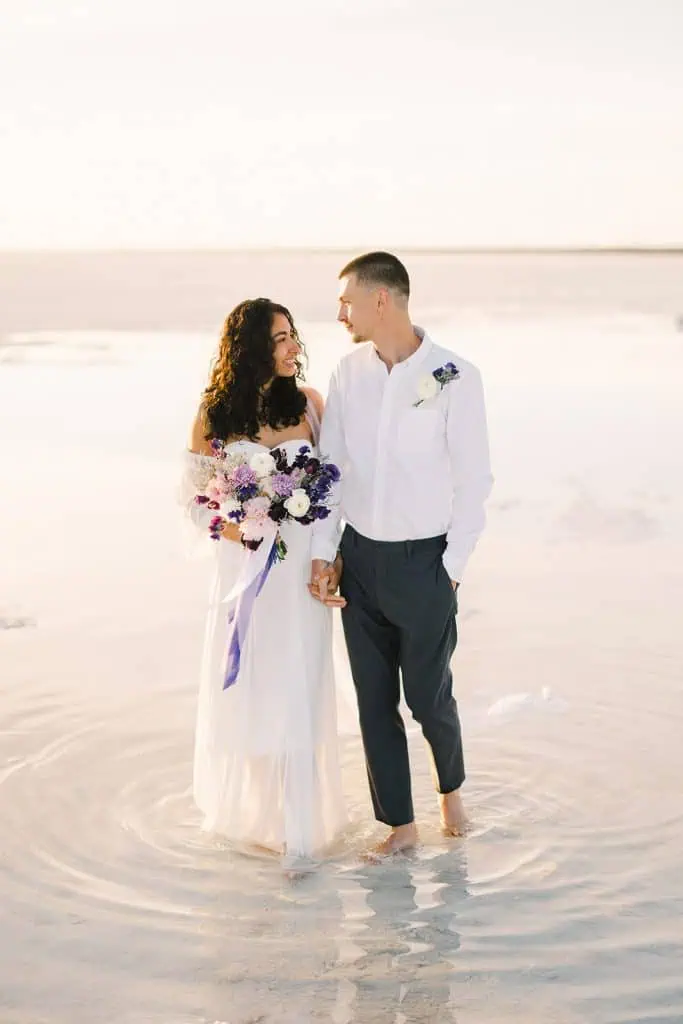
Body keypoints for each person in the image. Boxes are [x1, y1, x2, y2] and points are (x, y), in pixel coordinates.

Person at [309, 252, 493, 858]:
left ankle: (451, 789)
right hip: (359, 561)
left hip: (425, 563)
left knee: (427, 694)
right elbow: (331, 472)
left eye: (348, 301)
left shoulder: (454, 376)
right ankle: (400, 826)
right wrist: (325, 550)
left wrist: (452, 568)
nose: (341, 313)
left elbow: (474, 479)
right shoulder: (347, 374)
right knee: (373, 702)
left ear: (381, 300)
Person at [181, 297, 348, 868]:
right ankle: (258, 822)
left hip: (301, 578)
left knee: (300, 686)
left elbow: (337, 496)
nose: (293, 348)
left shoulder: (310, 405)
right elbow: (195, 503)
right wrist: (247, 523)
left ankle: (300, 825)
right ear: (250, 347)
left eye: (293, 337)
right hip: (245, 576)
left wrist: (330, 559)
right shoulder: (215, 416)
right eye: (280, 339)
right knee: (251, 690)